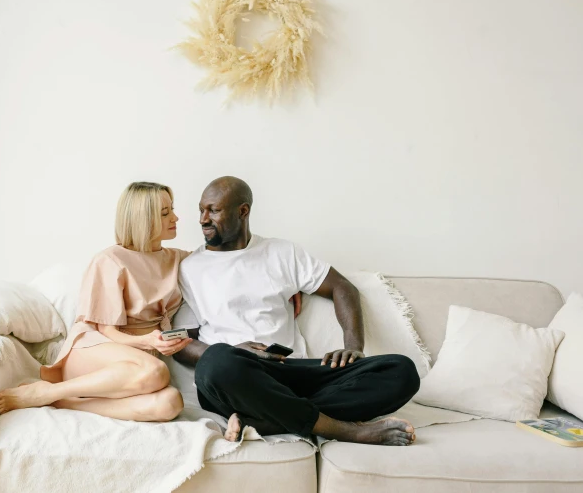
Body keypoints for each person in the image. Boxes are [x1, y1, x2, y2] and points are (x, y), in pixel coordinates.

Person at [172, 176, 421, 446]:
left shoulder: (281, 252)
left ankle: (265, 422)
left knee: (401, 371)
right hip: (235, 379)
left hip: (290, 370)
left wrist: (354, 346)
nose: (203, 219)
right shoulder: (190, 268)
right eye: (201, 210)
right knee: (216, 361)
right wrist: (233, 351)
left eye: (214, 210)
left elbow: (342, 288)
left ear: (243, 211)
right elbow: (179, 340)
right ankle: (345, 430)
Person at [0, 182, 194, 421]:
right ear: (144, 219)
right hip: (96, 347)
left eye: (171, 209)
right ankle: (49, 391)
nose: (176, 217)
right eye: (165, 213)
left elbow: (217, 260)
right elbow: (106, 330)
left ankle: (59, 400)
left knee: (170, 403)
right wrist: (146, 340)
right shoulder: (110, 260)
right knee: (155, 371)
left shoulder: (177, 259)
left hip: (135, 363)